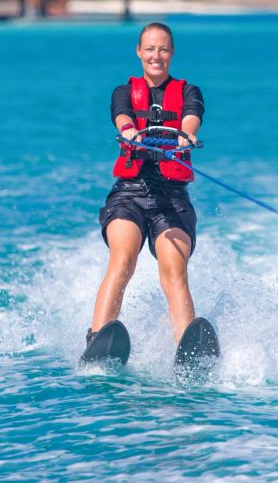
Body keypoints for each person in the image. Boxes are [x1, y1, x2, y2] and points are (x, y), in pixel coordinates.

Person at [87, 21, 204, 347]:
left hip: (172, 196)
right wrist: (128, 131)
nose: (157, 55)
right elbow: (122, 116)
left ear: (172, 52)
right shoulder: (123, 92)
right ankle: (97, 339)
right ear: (139, 52)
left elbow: (191, 117)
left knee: (174, 268)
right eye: (150, 49)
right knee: (123, 259)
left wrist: (187, 134)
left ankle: (187, 349)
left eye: (163, 49)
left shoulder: (190, 92)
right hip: (130, 193)